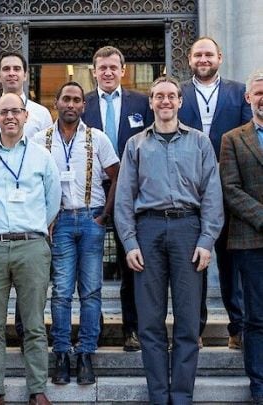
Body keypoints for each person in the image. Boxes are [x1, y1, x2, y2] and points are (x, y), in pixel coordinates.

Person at [115, 76, 224, 404]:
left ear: (179, 102)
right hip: (147, 232)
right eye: (158, 96)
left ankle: (181, 396)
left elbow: (212, 196)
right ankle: (159, 396)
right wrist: (130, 243)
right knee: (149, 321)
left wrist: (206, 240)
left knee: (188, 322)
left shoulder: (200, 142)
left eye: (171, 96)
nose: (165, 101)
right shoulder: (135, 144)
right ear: (151, 103)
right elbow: (123, 199)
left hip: (187, 231)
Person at [0, 93, 61, 405]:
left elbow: (53, 201)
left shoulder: (41, 157)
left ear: (25, 116)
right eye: (3, 112)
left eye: (16, 112)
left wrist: (32, 227)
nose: (10, 117)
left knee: (34, 325)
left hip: (31, 248)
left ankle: (38, 390)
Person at [0, 50, 53, 354]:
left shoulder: (41, 114)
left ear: (26, 74)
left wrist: (38, 218)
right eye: (6, 68)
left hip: (29, 229)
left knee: (32, 318)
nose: (12, 73)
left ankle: (23, 339)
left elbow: (49, 188)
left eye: (17, 68)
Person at [34, 81, 119, 385]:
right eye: (65, 99)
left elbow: (116, 176)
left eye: (76, 100)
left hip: (90, 219)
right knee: (60, 292)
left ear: (84, 106)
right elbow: (32, 182)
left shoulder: (98, 138)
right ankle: (61, 353)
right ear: (55, 103)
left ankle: (85, 352)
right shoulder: (38, 140)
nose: (71, 104)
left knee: (92, 290)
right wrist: (43, 217)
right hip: (59, 223)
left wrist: (104, 216)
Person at [178, 36, 252, 348]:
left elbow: (249, 137)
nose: (203, 59)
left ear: (219, 57)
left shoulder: (238, 92)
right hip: (189, 192)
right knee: (192, 265)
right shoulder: (177, 93)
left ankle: (238, 329)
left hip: (229, 193)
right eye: (198, 55)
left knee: (231, 264)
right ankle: (193, 328)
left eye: (209, 54)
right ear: (190, 59)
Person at [82, 45, 153, 351]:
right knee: (89, 269)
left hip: (133, 193)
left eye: (113, 67)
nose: (108, 72)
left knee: (131, 264)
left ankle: (132, 329)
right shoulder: (81, 103)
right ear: (93, 71)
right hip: (93, 193)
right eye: (102, 67)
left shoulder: (141, 101)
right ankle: (91, 329)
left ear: (123, 70)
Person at [220, 69, 263, 405]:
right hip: (251, 240)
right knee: (256, 317)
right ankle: (259, 385)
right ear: (248, 98)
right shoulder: (233, 138)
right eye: (258, 92)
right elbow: (230, 188)